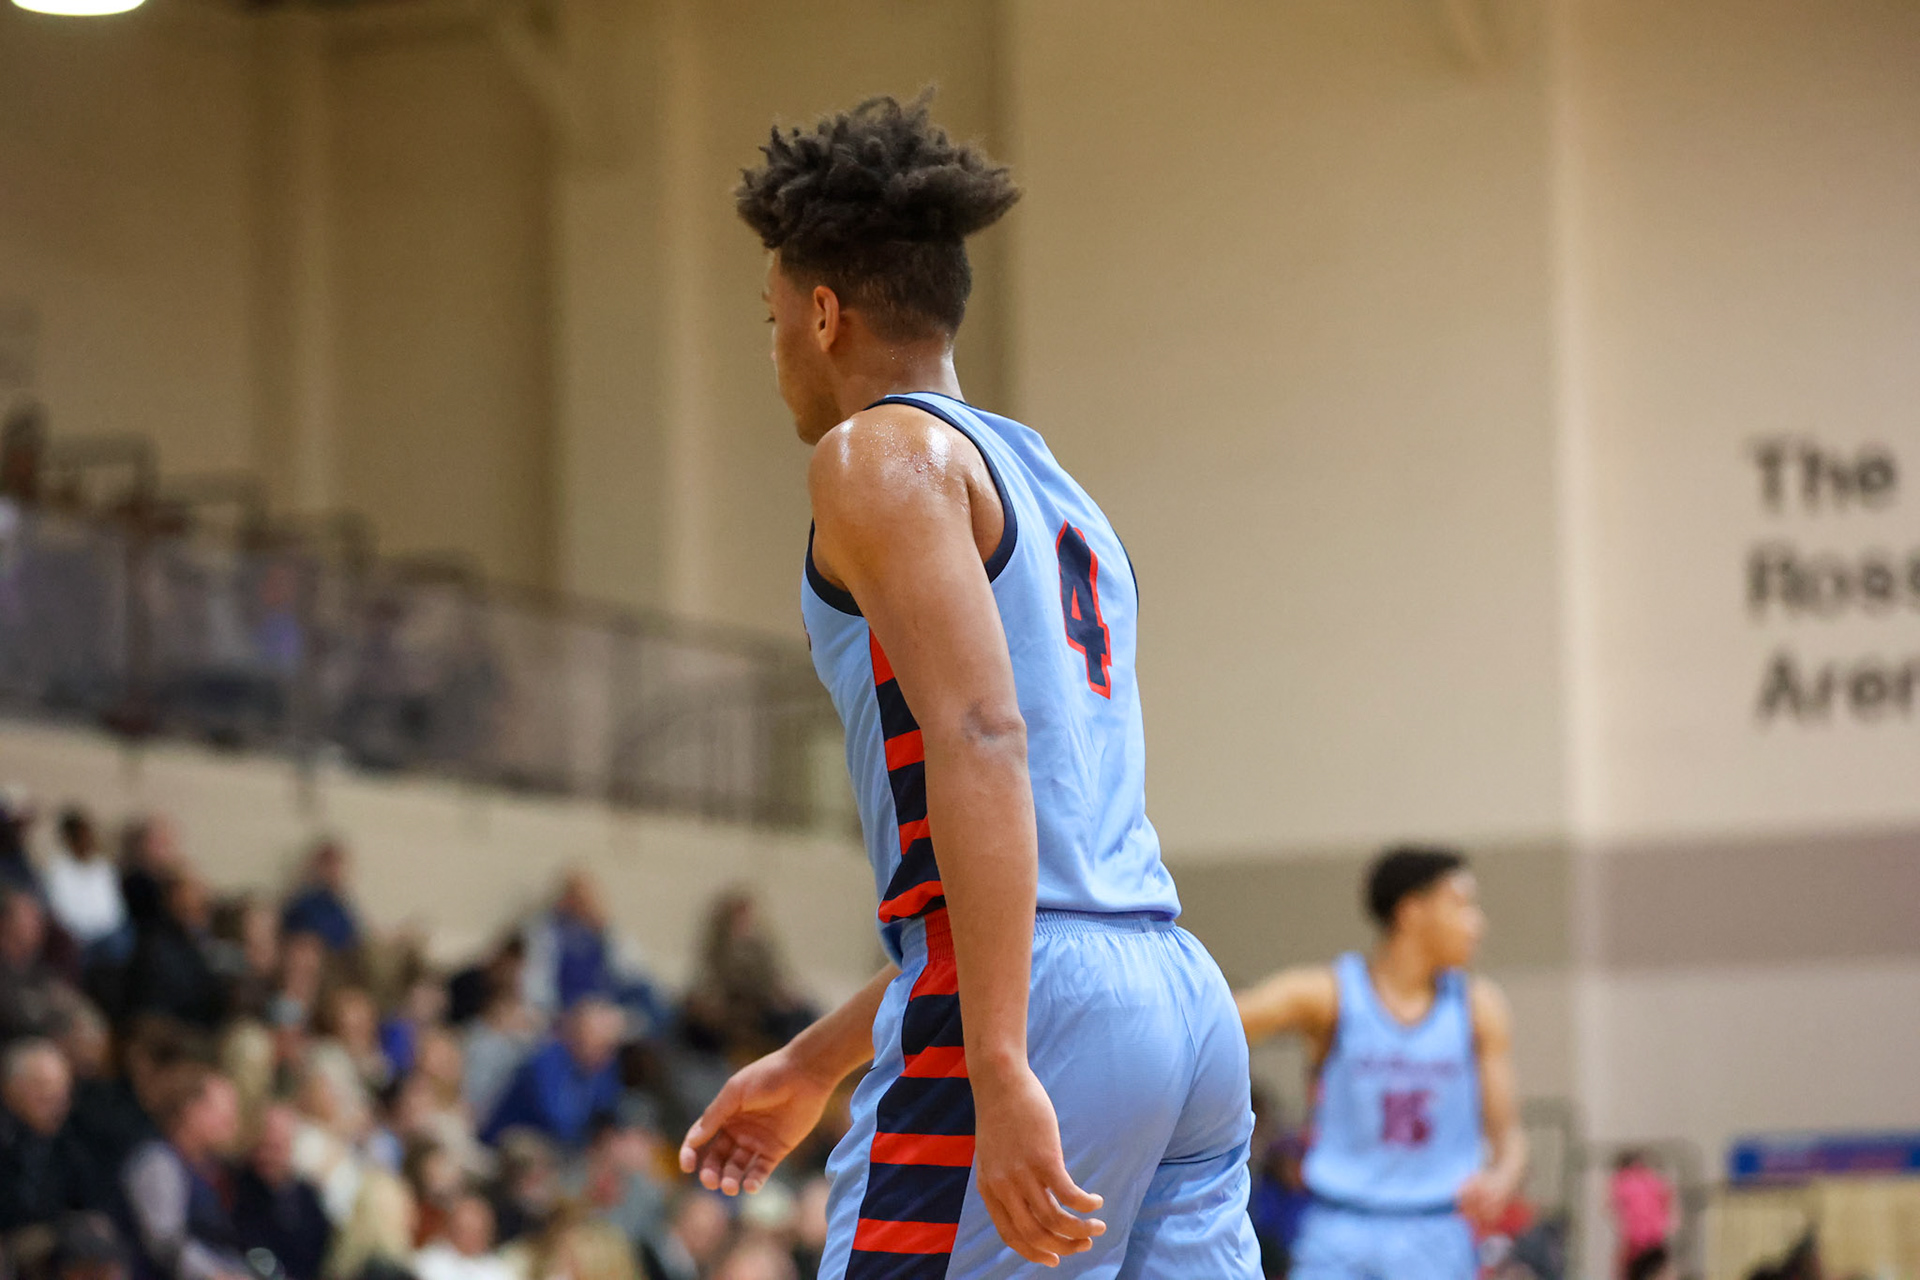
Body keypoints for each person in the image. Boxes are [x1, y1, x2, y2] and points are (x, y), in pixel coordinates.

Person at [679, 92, 1259, 1277]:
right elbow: (1036, 856)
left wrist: (998, 1058)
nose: (777, 345)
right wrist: (817, 1059)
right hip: (1180, 1002)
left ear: (824, 313)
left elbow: (984, 737)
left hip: (1036, 1007)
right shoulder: (1060, 493)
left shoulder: (875, 454)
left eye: (774, 314)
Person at [1236, 846, 1529, 1280]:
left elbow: (1511, 1139)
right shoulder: (1328, 996)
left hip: (1437, 1228)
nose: (1477, 924)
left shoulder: (1478, 1008)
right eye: (1461, 905)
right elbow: (1212, 1027)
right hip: (1339, 1226)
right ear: (1412, 911)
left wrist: (1502, 1179)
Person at [120, 1065, 249, 1280]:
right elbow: (166, 1245)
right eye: (222, 1109)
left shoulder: (213, 1170)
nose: (232, 1119)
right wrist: (217, 1275)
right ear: (191, 1110)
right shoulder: (158, 1163)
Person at [480, 1000, 622, 1151]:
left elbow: (608, 1108)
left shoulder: (599, 1067)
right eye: (601, 1045)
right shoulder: (543, 1064)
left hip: (551, 1154)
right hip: (505, 1151)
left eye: (610, 1047)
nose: (607, 1056)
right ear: (576, 1035)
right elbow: (557, 1124)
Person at [0, 1039, 107, 1239]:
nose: (56, 1102)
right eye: (41, 1089)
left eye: (62, 1092)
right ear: (9, 1089)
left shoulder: (73, 1145)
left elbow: (90, 1208)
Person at [232, 1104, 333, 1280]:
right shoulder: (235, 1188)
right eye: (263, 1146)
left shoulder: (307, 1197)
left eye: (277, 1148)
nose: (268, 1156)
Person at [42, 808, 132, 967]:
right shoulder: (57, 871)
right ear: (69, 839)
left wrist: (104, 929)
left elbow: (115, 910)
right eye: (81, 836)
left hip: (107, 936)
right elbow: (62, 913)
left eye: (88, 835)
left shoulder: (103, 868)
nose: (87, 840)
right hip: (78, 939)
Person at [280, 843, 362, 957]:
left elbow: (354, 942)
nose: (335, 872)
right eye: (330, 866)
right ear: (319, 868)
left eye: (338, 866)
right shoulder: (302, 907)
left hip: (340, 966)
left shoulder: (344, 909)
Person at [411, 1196, 513, 1280]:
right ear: (451, 1228)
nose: (472, 1237)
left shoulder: (498, 1270)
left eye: (478, 1231)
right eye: (465, 1229)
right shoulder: (429, 1261)